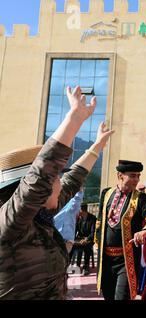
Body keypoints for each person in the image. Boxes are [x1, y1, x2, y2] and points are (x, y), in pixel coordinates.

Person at [0, 85, 114, 299]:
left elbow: (73, 178)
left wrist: (96, 147)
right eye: (55, 178)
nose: (61, 184)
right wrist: (74, 119)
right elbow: (41, 175)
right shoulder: (10, 223)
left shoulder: (40, 215)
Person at [95, 160, 146, 300]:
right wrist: (95, 240)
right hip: (106, 260)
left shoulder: (142, 198)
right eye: (132, 175)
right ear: (120, 175)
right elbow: (99, 222)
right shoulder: (106, 194)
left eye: (138, 175)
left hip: (126, 261)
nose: (136, 179)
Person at [54, 189, 84, 253]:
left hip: (53, 239)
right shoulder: (69, 207)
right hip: (63, 240)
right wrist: (80, 189)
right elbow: (76, 200)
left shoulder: (51, 203)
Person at [72, 203, 97, 275]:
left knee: (87, 247)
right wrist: (73, 239)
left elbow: (93, 232)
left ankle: (86, 266)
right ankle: (76, 265)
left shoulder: (92, 218)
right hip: (80, 238)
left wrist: (86, 239)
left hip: (89, 238)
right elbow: (75, 230)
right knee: (72, 246)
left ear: (82, 211)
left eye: (78, 211)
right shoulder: (78, 218)